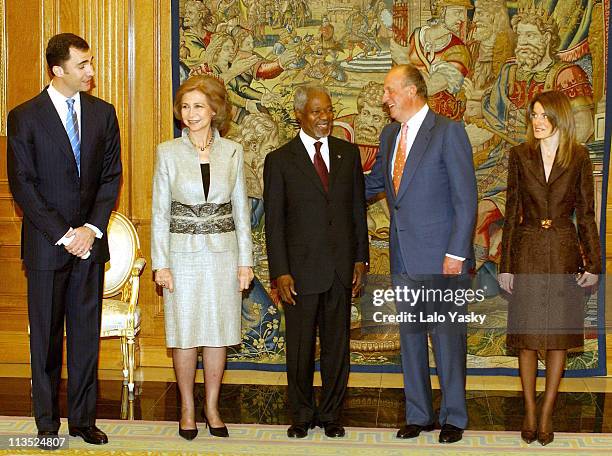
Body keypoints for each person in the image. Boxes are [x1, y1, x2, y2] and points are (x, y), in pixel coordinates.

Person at [6, 33, 122, 447]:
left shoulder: (103, 114)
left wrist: (90, 230)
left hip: (90, 245)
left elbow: (111, 178)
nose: (91, 72)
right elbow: (23, 185)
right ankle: (46, 426)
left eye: (91, 63)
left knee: (86, 338)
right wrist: (63, 233)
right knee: (46, 340)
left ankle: (83, 421)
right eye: (82, 65)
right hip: (45, 245)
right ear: (58, 70)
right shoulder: (25, 116)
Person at [365, 64, 477, 444]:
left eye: (389, 91)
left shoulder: (448, 132)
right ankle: (419, 413)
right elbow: (378, 183)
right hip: (403, 256)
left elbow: (466, 200)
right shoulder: (388, 134)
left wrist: (457, 254)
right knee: (410, 338)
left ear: (411, 90)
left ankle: (454, 417)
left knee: (447, 339)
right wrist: (327, 183)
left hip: (442, 258)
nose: (385, 99)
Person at [151, 75, 254, 440]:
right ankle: (187, 407)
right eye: (185, 107)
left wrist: (246, 262)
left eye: (198, 106)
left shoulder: (233, 151)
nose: (190, 114)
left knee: (217, 332)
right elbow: (161, 212)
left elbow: (241, 210)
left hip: (223, 256)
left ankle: (211, 406)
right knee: (184, 334)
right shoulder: (167, 152)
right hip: (181, 257)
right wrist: (161, 264)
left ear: (214, 110)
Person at [263, 84, 369, 439]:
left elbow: (357, 211)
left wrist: (360, 260)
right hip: (300, 272)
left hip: (341, 269)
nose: (325, 118)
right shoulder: (279, 160)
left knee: (338, 348)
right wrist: (280, 272)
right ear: (299, 115)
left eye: (328, 111)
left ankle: (332, 415)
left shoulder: (347, 154)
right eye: (316, 112)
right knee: (300, 348)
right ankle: (302, 413)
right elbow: (274, 223)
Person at [498, 90, 601, 446]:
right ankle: (528, 410)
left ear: (559, 117)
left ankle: (546, 413)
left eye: (544, 115)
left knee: (557, 338)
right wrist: (505, 265)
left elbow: (586, 215)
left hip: (562, 251)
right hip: (526, 250)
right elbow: (510, 214)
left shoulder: (580, 157)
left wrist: (594, 262)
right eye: (534, 115)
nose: (537, 121)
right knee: (526, 339)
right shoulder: (519, 155)